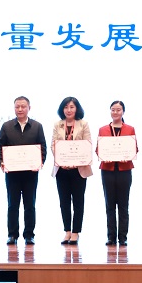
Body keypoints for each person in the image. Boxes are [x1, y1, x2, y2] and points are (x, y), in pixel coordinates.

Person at [0, 96, 47, 245]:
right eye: (17, 106)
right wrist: (2, 162)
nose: (20, 109)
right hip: (12, 173)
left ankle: (29, 235)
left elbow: (42, 147)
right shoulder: (6, 126)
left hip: (31, 173)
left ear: (29, 108)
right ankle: (12, 235)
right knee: (12, 205)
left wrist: (39, 162)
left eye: (23, 106)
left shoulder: (37, 126)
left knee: (30, 205)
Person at [51, 96, 92, 245]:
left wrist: (75, 161)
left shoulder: (83, 124)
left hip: (78, 169)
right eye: (66, 107)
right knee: (64, 201)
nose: (68, 110)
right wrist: (62, 161)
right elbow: (53, 145)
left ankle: (76, 232)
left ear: (77, 109)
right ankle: (67, 231)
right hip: (61, 169)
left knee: (78, 201)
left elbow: (87, 144)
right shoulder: (58, 125)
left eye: (71, 107)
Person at [96, 100, 138, 246]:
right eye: (113, 109)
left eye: (118, 110)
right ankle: (111, 236)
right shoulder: (102, 130)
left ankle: (123, 237)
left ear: (123, 112)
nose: (115, 112)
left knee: (123, 205)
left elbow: (135, 148)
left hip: (124, 170)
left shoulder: (130, 129)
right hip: (107, 171)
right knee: (110, 205)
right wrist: (103, 155)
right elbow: (98, 149)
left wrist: (129, 154)